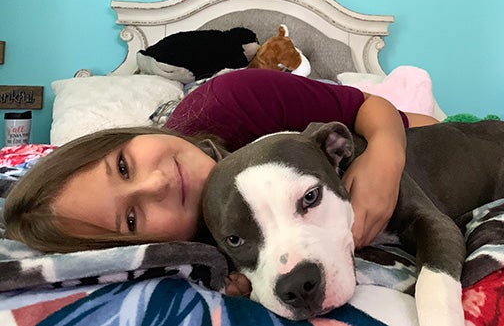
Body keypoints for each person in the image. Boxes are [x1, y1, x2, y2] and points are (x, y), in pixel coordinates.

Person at [2, 69, 438, 296]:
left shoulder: (231, 100)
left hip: (408, 128)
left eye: (122, 166)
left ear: (126, 136)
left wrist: (385, 156)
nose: (158, 183)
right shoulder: (193, 245)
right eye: (132, 218)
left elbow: (369, 105)